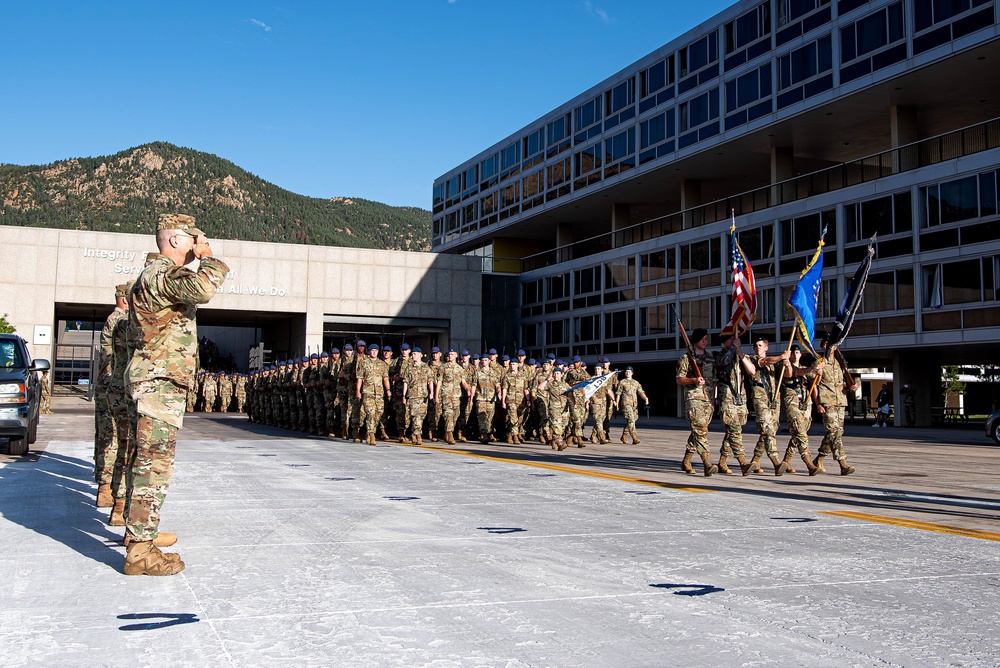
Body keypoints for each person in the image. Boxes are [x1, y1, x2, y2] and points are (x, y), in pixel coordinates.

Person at [122, 213, 228, 576]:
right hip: (159, 383)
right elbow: (204, 288)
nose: (197, 243)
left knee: (147, 461)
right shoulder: (161, 275)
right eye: (192, 238)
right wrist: (210, 257)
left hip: (159, 382)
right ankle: (140, 550)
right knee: (155, 467)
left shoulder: (158, 276)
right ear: (174, 241)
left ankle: (139, 534)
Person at [94, 283, 130, 508]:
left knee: (107, 437)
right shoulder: (119, 321)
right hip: (114, 386)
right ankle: (107, 488)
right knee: (115, 440)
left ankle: (105, 485)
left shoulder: (112, 320)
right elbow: (112, 357)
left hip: (108, 385)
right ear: (125, 300)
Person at [676, 328, 718, 476]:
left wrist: (713, 400)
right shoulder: (686, 358)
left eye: (706, 339)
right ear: (696, 340)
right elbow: (679, 379)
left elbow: (713, 381)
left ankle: (686, 461)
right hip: (693, 399)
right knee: (700, 430)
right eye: (703, 339)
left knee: (700, 431)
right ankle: (707, 463)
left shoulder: (710, 357)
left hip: (707, 400)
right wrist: (693, 380)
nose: (705, 341)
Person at [814, 337, 858, 476]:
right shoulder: (820, 363)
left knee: (836, 432)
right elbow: (814, 385)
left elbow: (841, 383)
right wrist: (818, 404)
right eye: (826, 345)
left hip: (840, 401)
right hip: (827, 401)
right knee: (834, 432)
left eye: (832, 345)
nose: (829, 347)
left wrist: (851, 386)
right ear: (822, 347)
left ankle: (819, 459)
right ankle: (842, 463)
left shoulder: (839, 364)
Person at [713, 334, 756, 475]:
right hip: (727, 398)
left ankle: (722, 462)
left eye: (734, 339)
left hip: (740, 399)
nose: (734, 341)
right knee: (735, 430)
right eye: (730, 339)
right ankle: (743, 462)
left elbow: (752, 371)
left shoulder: (739, 356)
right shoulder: (718, 355)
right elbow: (723, 362)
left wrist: (741, 354)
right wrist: (733, 348)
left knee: (731, 432)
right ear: (724, 342)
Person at [747, 337, 790, 476]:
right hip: (760, 397)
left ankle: (755, 460)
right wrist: (781, 356)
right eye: (755, 345)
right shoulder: (753, 359)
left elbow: (788, 374)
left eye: (760, 345)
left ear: (766, 347)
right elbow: (764, 362)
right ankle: (776, 461)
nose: (757, 347)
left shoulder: (774, 363)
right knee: (767, 429)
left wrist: (786, 362)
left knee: (771, 429)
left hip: (773, 398)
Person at [779, 345, 824, 475]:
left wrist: (818, 374)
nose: (795, 354)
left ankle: (786, 462)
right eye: (792, 352)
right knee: (801, 434)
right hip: (793, 403)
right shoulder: (786, 367)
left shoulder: (806, 369)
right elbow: (795, 373)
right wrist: (813, 368)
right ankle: (809, 464)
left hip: (805, 404)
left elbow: (814, 383)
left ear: (801, 354)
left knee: (797, 435)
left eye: (797, 352)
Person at [401, 348, 434, 444]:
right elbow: (406, 382)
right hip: (412, 395)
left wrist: (431, 392)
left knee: (422, 416)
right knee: (416, 415)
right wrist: (404, 395)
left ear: (420, 355)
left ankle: (414, 433)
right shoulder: (409, 368)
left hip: (423, 396)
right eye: (412, 354)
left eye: (415, 354)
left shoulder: (426, 367)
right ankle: (418, 435)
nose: (413, 356)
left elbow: (430, 381)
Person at [536, 367, 571, 450]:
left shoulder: (565, 385)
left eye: (558, 373)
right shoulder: (550, 384)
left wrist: (574, 404)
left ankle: (554, 441)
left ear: (561, 374)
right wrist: (548, 379)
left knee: (563, 426)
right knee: (556, 425)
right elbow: (540, 388)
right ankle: (559, 443)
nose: (556, 375)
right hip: (554, 408)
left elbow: (570, 394)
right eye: (554, 373)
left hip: (564, 409)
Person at [615, 366, 649, 445]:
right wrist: (616, 404)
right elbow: (618, 394)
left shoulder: (636, 383)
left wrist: (645, 398)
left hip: (634, 405)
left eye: (629, 372)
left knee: (633, 420)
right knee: (631, 420)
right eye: (626, 371)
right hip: (625, 404)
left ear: (632, 373)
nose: (627, 373)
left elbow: (640, 392)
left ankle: (624, 435)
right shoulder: (622, 382)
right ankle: (634, 437)